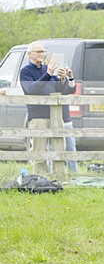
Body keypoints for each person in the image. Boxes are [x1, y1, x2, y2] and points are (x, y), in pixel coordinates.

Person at [20, 43, 77, 174]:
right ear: (30, 54)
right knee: (39, 152)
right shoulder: (26, 71)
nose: (42, 54)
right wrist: (48, 74)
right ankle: (41, 179)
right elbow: (31, 89)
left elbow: (61, 89)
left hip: (55, 115)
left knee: (59, 149)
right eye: (38, 51)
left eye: (43, 51)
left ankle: (59, 177)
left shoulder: (47, 69)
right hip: (38, 116)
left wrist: (63, 78)